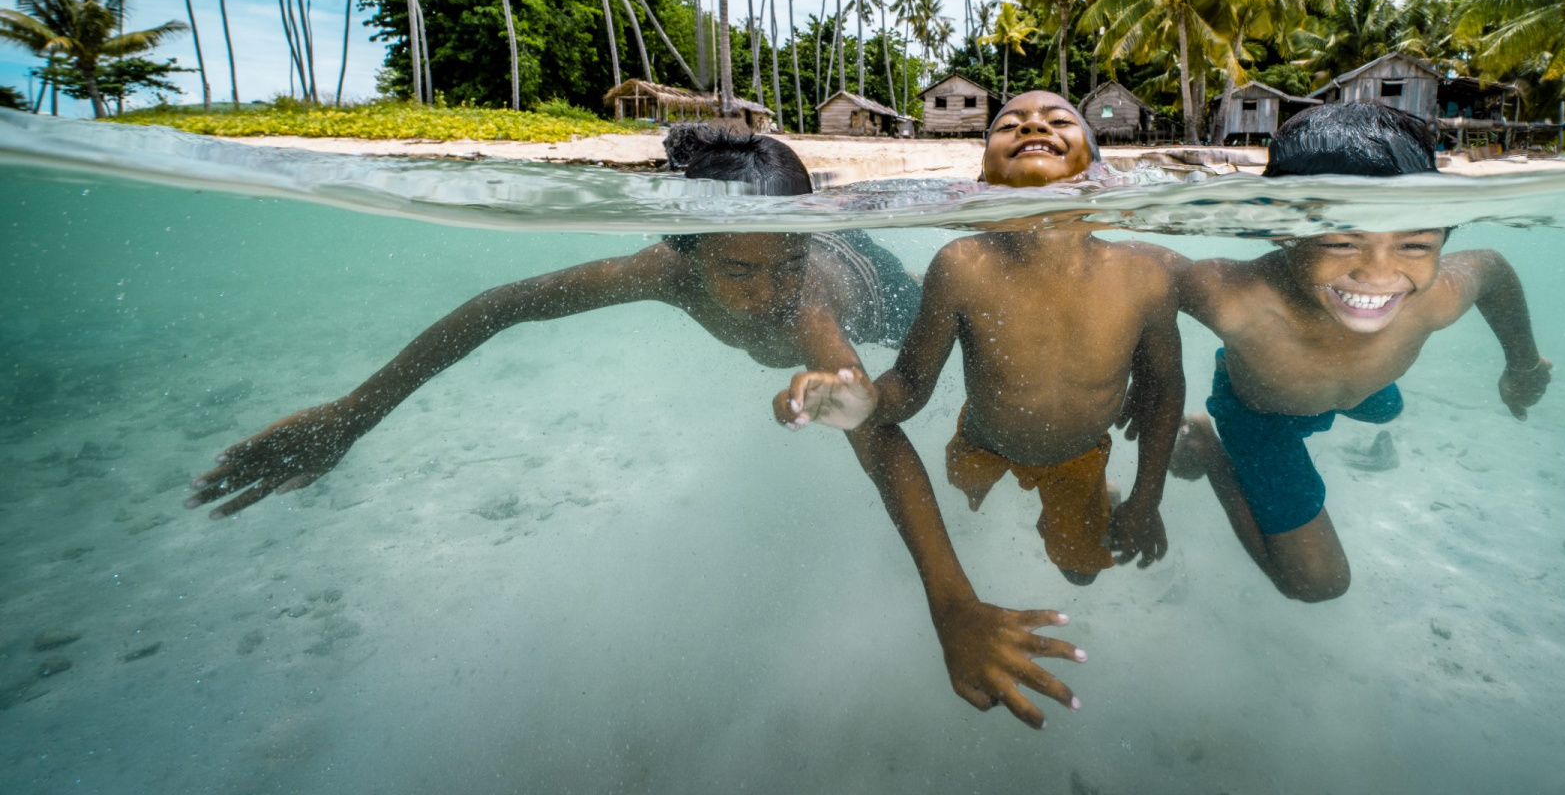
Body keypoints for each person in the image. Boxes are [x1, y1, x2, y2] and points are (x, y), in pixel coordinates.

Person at [186, 127, 1095, 730]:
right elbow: (500, 307)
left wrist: (952, 603)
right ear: (685, 251)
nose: (771, 291)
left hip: (880, 280)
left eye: (784, 262)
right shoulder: (658, 269)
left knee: (975, 357)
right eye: (743, 271)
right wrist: (351, 417)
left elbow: (878, 442)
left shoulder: (807, 311)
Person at [779, 91, 1185, 598]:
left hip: (1077, 458)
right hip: (982, 438)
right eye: (1009, 124)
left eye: (1059, 119)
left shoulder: (1145, 277)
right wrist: (870, 403)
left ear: (1101, 175)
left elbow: (1166, 388)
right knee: (965, 488)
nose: (1034, 125)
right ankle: (994, 485)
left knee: (1082, 568)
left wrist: (1147, 499)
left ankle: (1099, 491)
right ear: (981, 181)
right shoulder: (962, 266)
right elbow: (910, 381)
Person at [1164, 102, 1551, 601]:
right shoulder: (1235, 299)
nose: (1378, 273)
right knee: (1318, 584)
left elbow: (1494, 269)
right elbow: (1148, 280)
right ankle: (1205, 443)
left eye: (1413, 245)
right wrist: (1152, 393)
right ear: (1283, 229)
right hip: (1261, 415)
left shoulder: (1439, 296)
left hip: (1363, 389)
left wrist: (1523, 363)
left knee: (1386, 407)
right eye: (1343, 242)